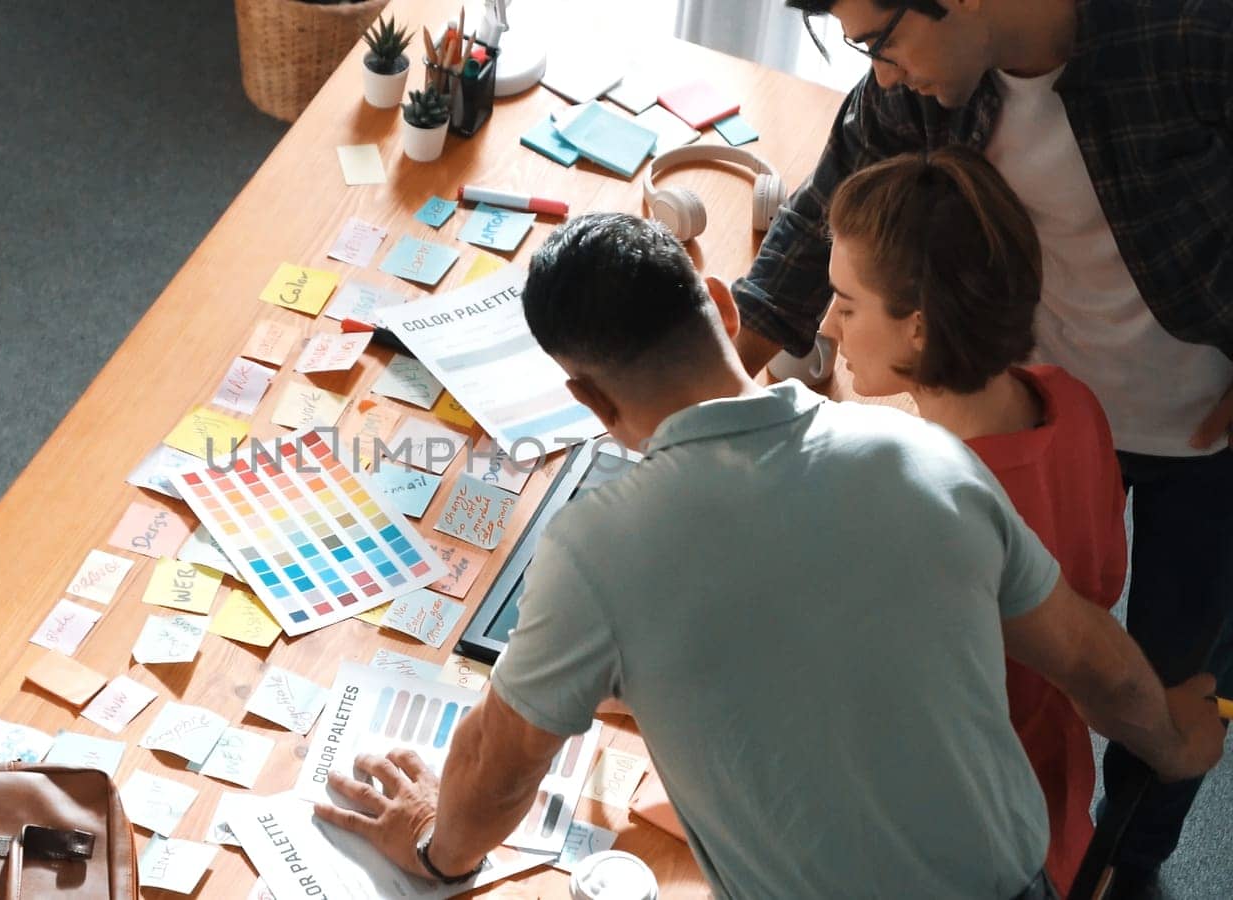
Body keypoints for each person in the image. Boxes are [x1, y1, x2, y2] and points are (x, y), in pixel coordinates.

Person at [313, 213, 1225, 899]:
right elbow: (1086, 653)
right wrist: (1169, 738)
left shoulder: (596, 549)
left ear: (588, 400)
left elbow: (502, 766)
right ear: (717, 303)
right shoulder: (925, 455)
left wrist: (436, 845)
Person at [733, 4, 1233, 890]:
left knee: (1165, 673)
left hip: (1203, 430)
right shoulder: (928, 83)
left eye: (879, 40)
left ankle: (1130, 862)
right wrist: (706, 385)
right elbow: (827, 209)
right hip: (1052, 395)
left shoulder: (1190, 31)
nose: (878, 72)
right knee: (1072, 620)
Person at [820, 145, 1127, 892]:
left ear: (918, 328)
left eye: (848, 303)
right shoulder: (1068, 398)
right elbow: (1107, 575)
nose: (827, 325)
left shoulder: (922, 503)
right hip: (1055, 788)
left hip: (960, 833)